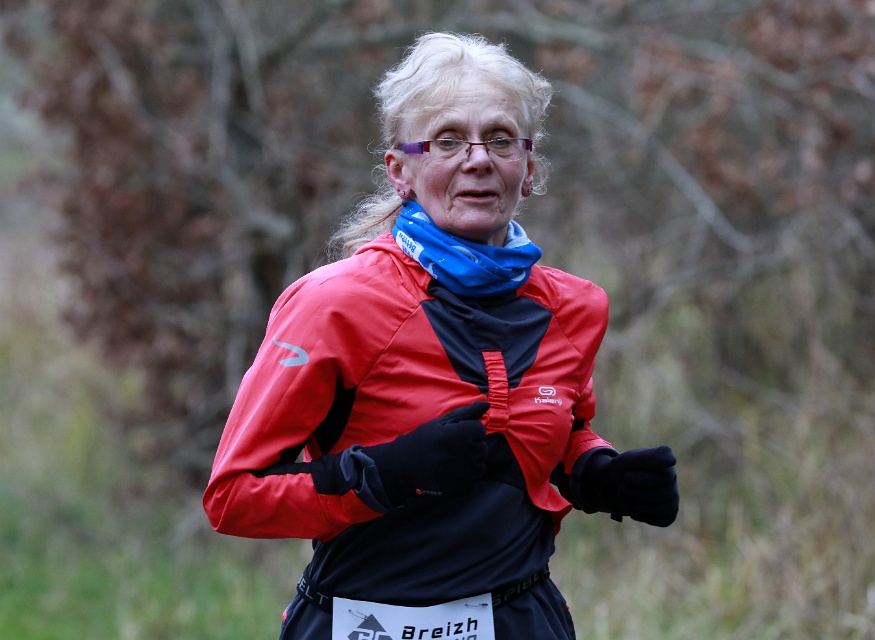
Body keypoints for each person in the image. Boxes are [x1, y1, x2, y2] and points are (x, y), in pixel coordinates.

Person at [203, 31, 679, 640]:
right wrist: (386, 473)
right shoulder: (334, 305)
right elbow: (233, 496)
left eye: (500, 139)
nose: (478, 160)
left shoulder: (574, 308)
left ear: (529, 168)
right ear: (400, 171)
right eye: (447, 140)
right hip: (363, 622)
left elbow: (560, 430)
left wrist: (599, 473)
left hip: (522, 620)